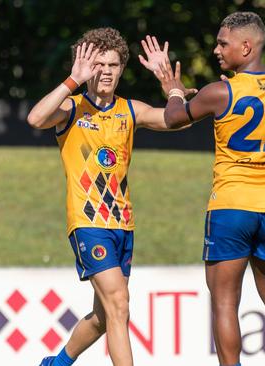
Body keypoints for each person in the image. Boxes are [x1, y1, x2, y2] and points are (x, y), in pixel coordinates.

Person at [145, 11, 265, 366]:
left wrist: (172, 90)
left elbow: (174, 117)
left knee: (224, 301)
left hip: (232, 206)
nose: (216, 49)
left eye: (223, 43)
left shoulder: (219, 92)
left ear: (246, 46)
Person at [27, 28, 193, 366]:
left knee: (104, 317)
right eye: (98, 63)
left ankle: (56, 364)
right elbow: (36, 118)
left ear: (121, 69)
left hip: (123, 224)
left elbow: (179, 121)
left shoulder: (131, 110)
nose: (105, 71)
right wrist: (72, 80)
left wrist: (172, 89)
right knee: (119, 304)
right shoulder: (72, 109)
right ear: (85, 67)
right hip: (88, 222)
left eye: (113, 64)